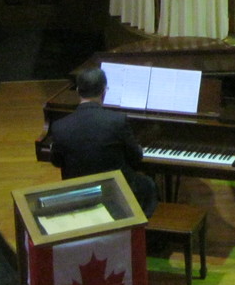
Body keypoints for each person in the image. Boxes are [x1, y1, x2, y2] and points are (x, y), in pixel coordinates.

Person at [48, 67, 158, 217]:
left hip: (78, 193)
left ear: (78, 90)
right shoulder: (117, 121)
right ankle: (136, 226)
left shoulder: (59, 126)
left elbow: (57, 162)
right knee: (148, 185)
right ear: (103, 92)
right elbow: (136, 157)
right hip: (114, 192)